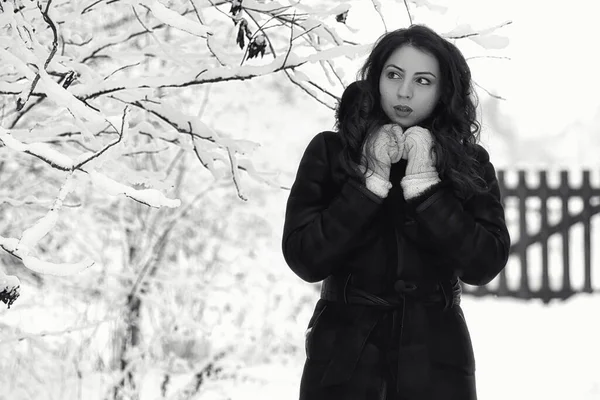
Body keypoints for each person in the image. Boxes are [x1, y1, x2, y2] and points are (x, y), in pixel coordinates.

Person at [281, 24, 511, 400]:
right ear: (376, 79)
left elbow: (484, 263)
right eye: (394, 75)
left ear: (443, 91)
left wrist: (427, 189)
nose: (404, 91)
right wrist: (368, 183)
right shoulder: (331, 152)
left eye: (423, 80)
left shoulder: (468, 162)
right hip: (344, 360)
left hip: (437, 361)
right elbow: (305, 259)